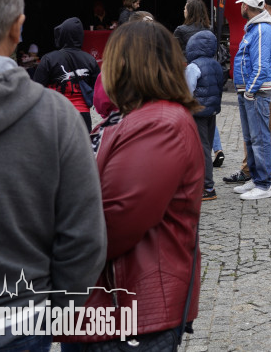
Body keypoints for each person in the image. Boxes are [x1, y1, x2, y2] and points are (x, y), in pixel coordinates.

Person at [0, 0, 106, 352]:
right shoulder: (55, 117)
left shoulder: (50, 77)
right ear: (18, 29)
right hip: (20, 322)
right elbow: (83, 238)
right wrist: (54, 312)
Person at [67, 20, 203, 349]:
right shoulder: (130, 119)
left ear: (124, 65)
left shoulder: (159, 123)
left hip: (128, 312)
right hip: (109, 307)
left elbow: (116, 220)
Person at [229, 0, 271, 200]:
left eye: (242, 5)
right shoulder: (257, 28)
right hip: (251, 90)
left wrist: (250, 89)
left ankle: (264, 184)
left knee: (258, 138)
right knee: (251, 138)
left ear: (246, 7)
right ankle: (258, 179)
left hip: (255, 91)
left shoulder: (260, 30)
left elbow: (261, 63)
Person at [32, 17, 100, 132]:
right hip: (82, 116)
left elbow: (36, 90)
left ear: (62, 35)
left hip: (56, 114)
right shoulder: (90, 60)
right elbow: (98, 89)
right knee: (82, 150)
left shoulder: (49, 59)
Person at [185, 29, 224, 200]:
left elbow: (187, 90)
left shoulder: (193, 66)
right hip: (211, 111)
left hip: (198, 111)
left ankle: (207, 187)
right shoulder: (216, 64)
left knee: (201, 149)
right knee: (206, 146)